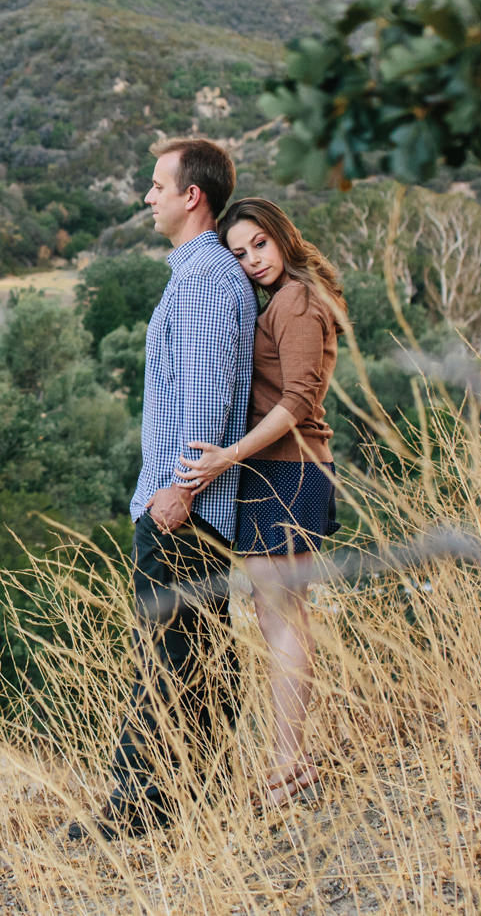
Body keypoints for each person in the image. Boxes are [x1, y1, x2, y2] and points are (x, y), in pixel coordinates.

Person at [69, 137, 257, 840]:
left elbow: (207, 400)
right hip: (182, 502)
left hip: (184, 508)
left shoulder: (207, 279)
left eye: (156, 185)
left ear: (192, 196)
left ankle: (138, 806)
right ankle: (199, 790)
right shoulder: (196, 273)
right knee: (196, 651)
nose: (147, 197)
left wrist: (175, 493)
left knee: (171, 654)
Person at [175, 197, 342, 809]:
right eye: (239, 254)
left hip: (289, 474)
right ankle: (288, 766)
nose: (251, 262)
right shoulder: (288, 298)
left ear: (283, 237)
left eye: (259, 246)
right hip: (282, 475)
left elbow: (298, 399)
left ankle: (289, 768)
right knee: (279, 619)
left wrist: (228, 456)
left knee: (282, 622)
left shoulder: (297, 300)